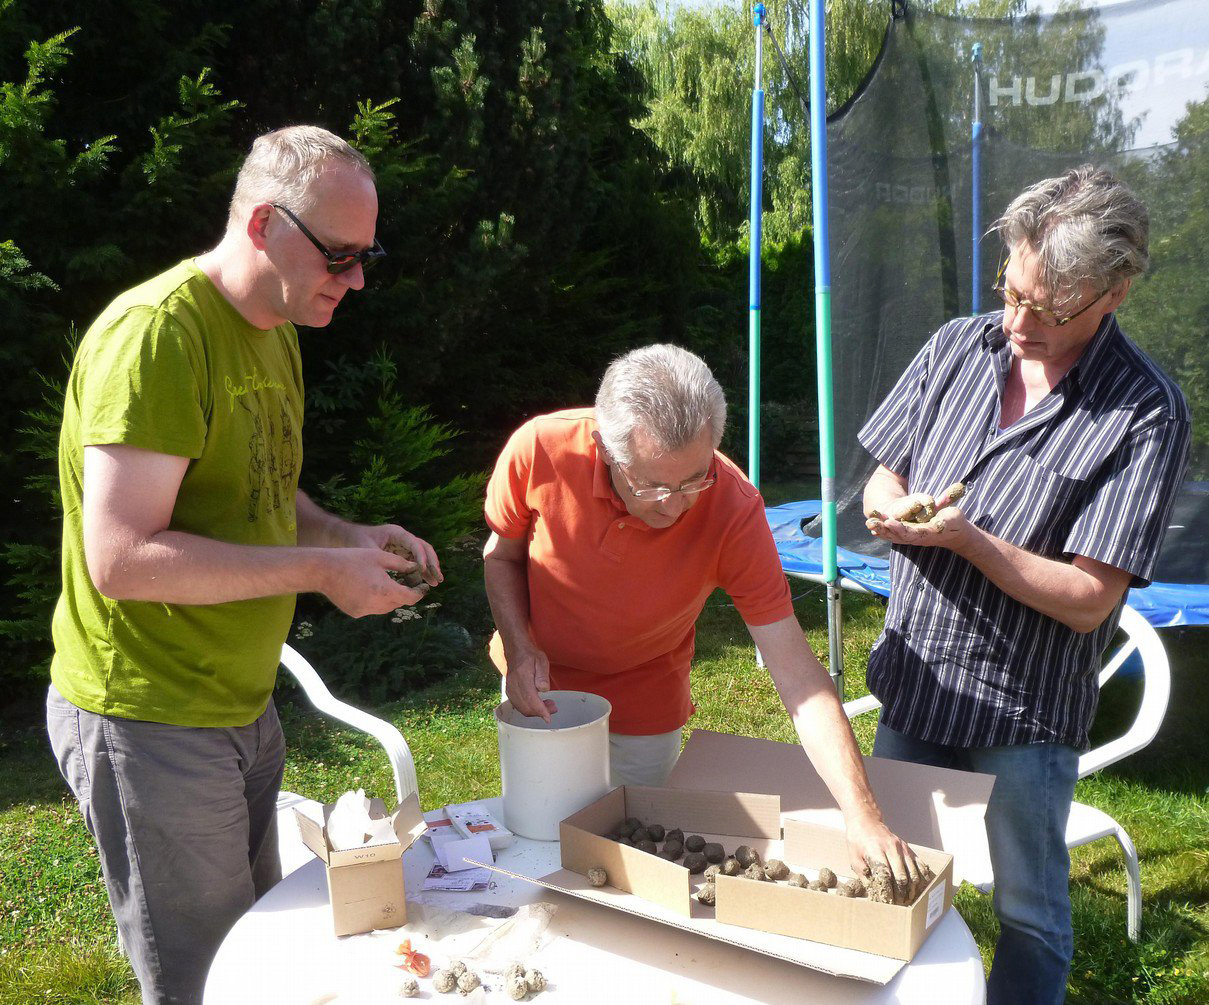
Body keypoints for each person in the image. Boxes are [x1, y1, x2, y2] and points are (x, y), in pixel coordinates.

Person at [46, 125, 442, 1005]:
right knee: (205, 982)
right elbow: (121, 557)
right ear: (264, 223)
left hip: (240, 704)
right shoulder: (157, 337)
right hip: (149, 716)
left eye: (367, 255)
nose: (356, 279)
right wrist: (319, 573)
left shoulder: (273, 330)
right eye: (339, 255)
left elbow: (263, 491)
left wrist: (343, 536)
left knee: (259, 963)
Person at [860, 165, 1190, 1004]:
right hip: (916, 679)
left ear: (1114, 292)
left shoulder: (1143, 411)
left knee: (1028, 913)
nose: (1016, 323)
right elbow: (883, 472)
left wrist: (967, 540)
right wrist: (887, 505)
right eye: (1010, 292)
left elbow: (1088, 600)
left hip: (1022, 712)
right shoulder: (956, 346)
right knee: (888, 882)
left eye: (1048, 310)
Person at [483, 342, 920, 889]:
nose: (674, 505)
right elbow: (501, 557)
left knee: (628, 856)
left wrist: (862, 815)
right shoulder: (540, 449)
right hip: (542, 688)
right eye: (651, 485)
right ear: (605, 449)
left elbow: (799, 678)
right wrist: (520, 647)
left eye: (693, 479)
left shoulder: (734, 508)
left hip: (647, 693)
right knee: (538, 845)